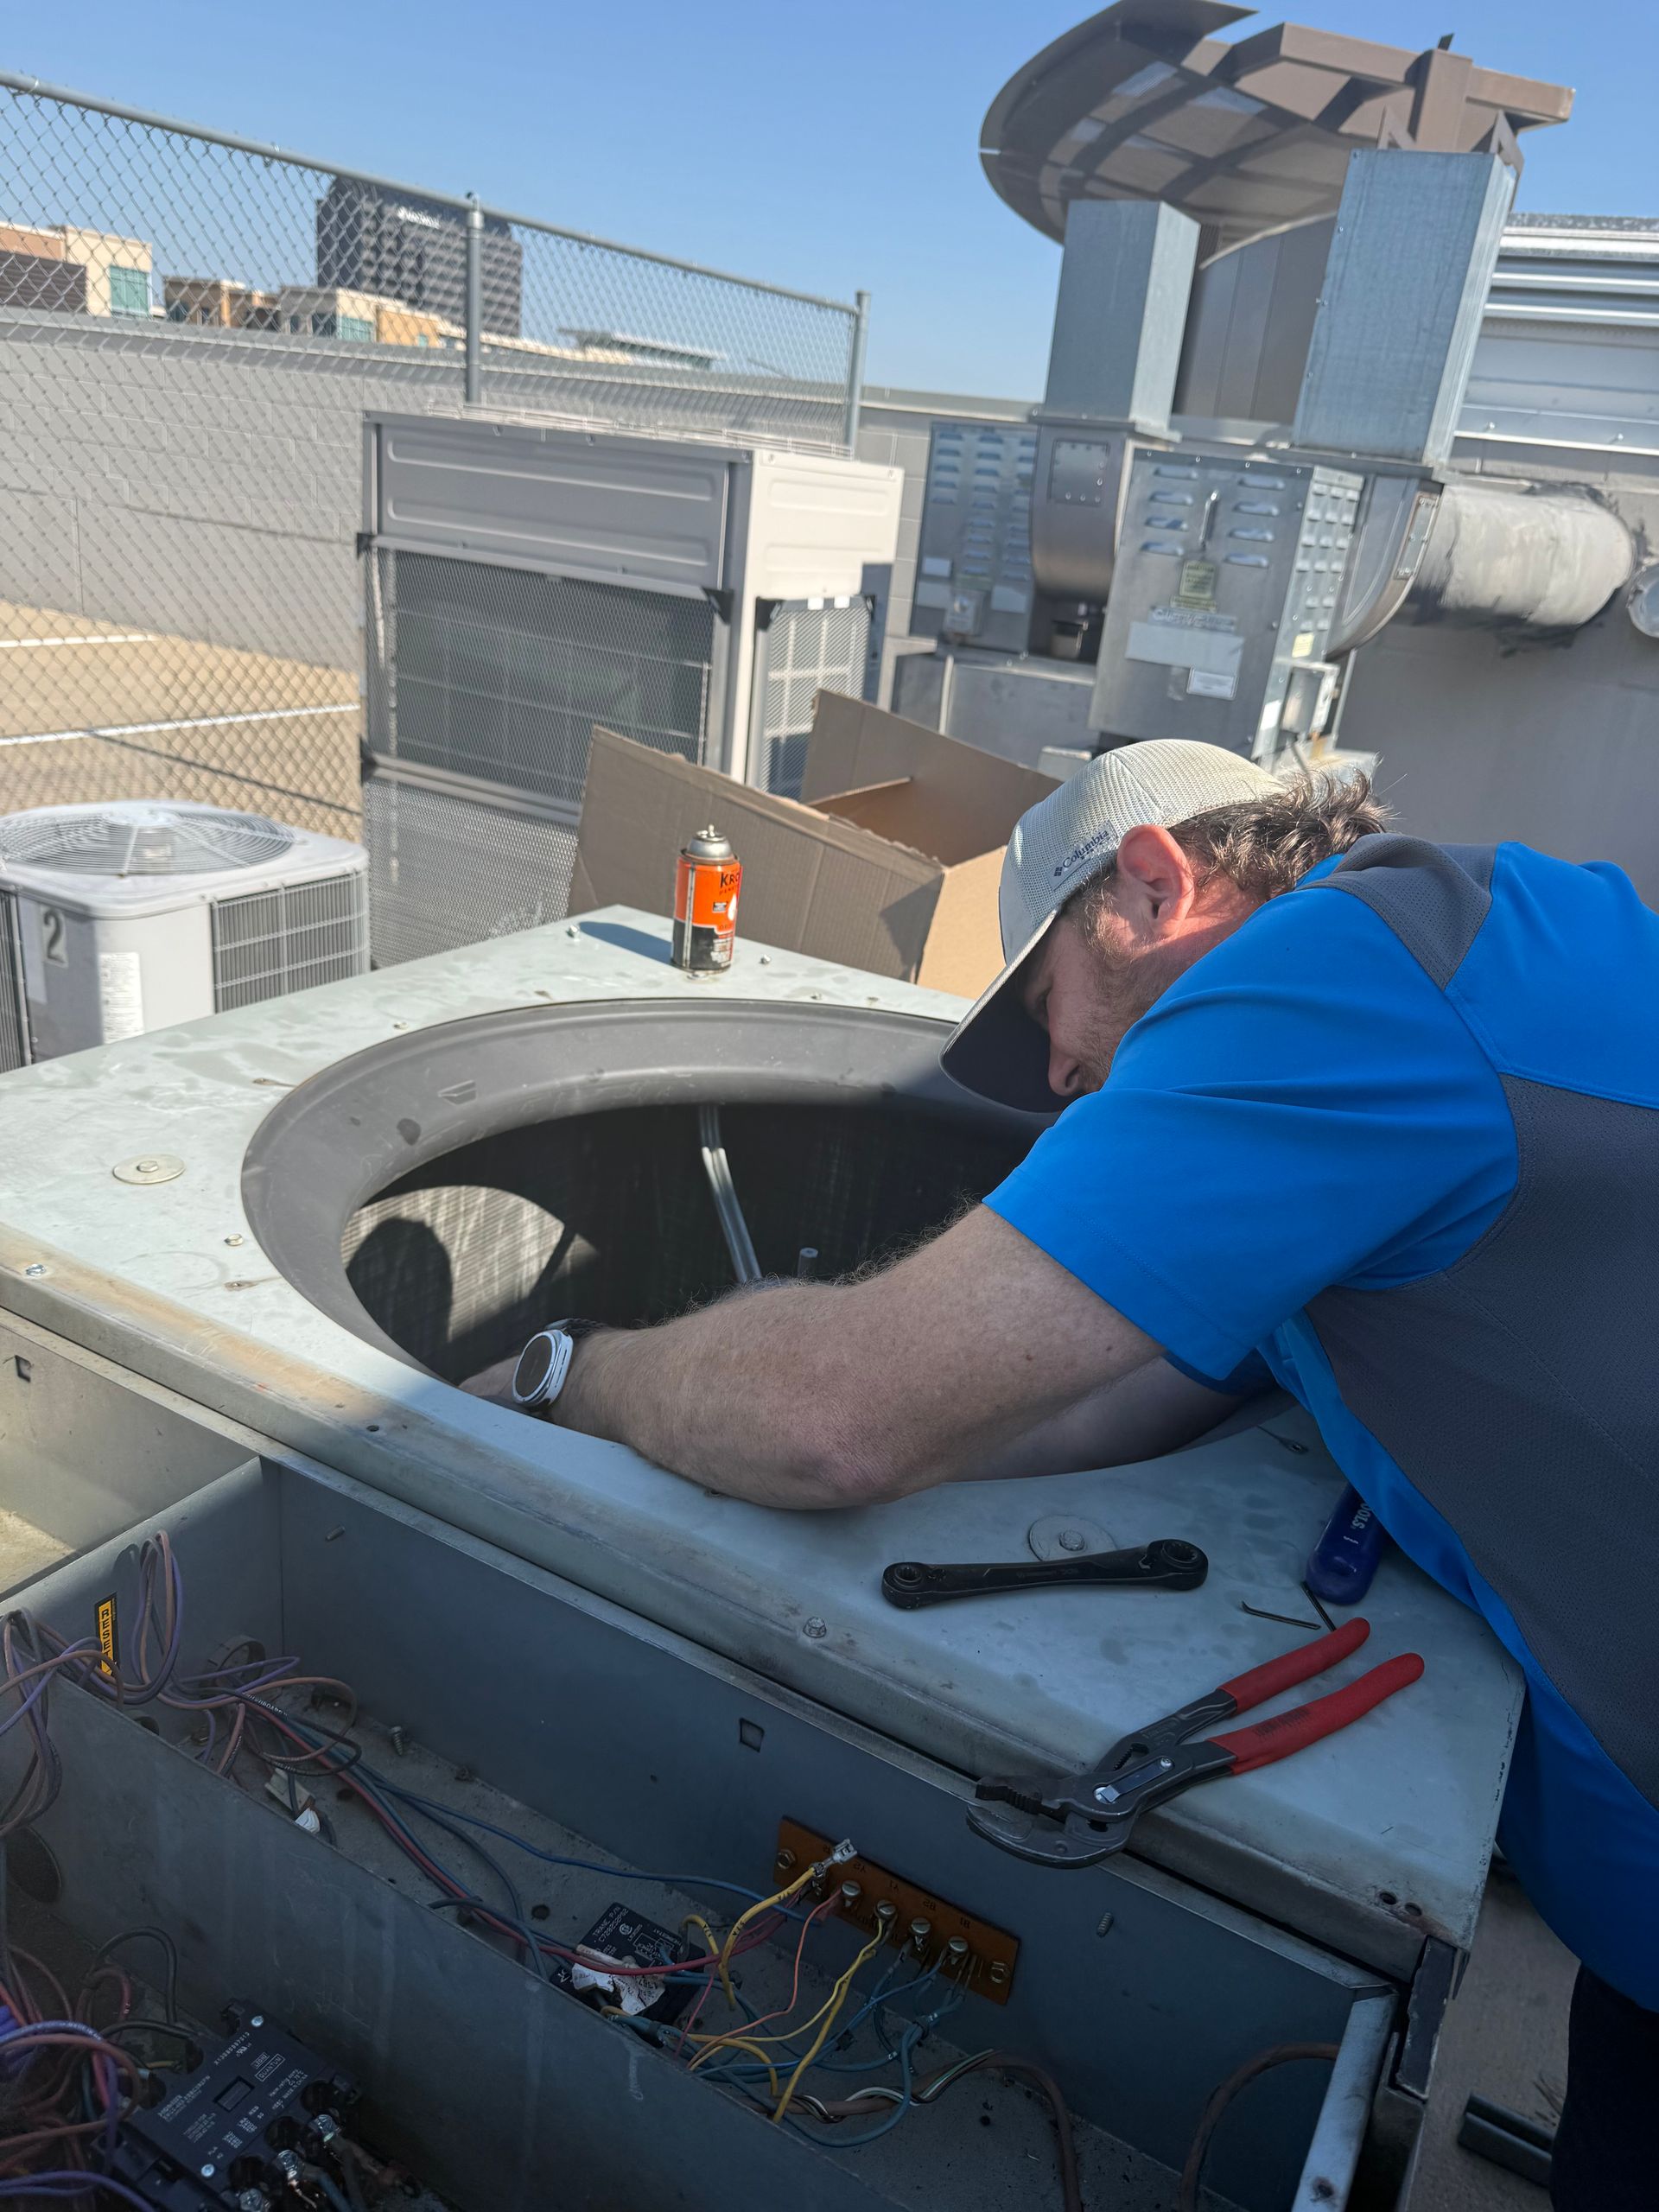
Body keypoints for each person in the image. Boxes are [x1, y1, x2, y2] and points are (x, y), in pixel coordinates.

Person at [467, 740, 1658, 2211]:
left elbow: (835, 1419)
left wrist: (570, 1375)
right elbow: (1079, 1410)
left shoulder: (1347, 976)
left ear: (1155, 885)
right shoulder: (1430, 1016)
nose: (1055, 1076)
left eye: (1048, 1005)